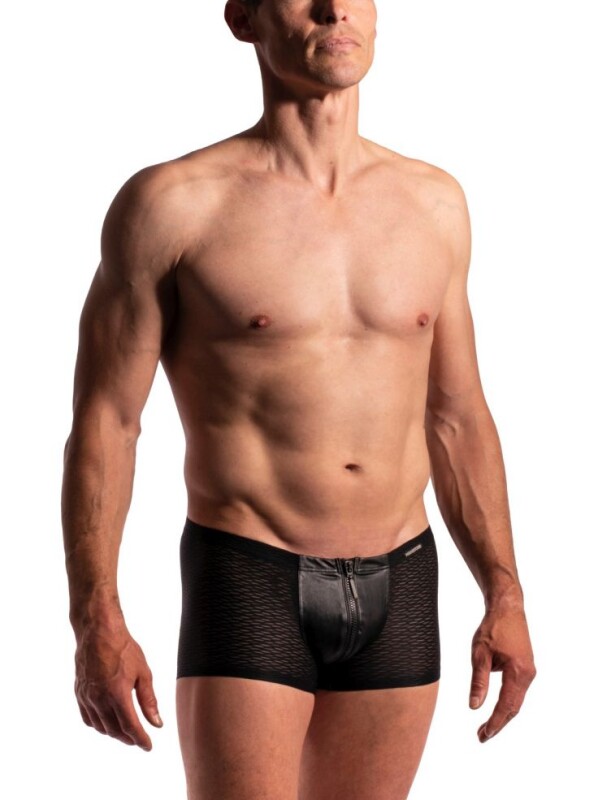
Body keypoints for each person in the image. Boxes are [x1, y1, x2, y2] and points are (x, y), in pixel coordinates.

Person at [61, 1, 536, 798]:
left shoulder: (434, 203)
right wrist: (94, 619)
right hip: (251, 570)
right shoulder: (172, 205)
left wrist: (505, 592)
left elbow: (457, 416)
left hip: (404, 572)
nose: (332, 7)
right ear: (243, 18)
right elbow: (107, 423)